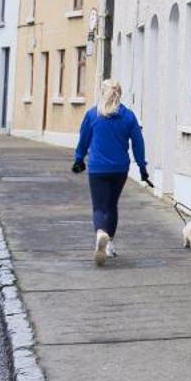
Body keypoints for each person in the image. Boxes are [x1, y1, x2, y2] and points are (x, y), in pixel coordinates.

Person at [73, 79, 150, 265]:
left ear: (102, 93)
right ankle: (109, 245)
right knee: (112, 205)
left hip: (98, 168)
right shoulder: (129, 116)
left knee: (99, 207)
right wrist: (142, 167)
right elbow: (138, 143)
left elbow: (83, 139)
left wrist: (78, 159)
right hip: (119, 169)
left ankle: (100, 232)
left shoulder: (92, 115)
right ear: (119, 94)